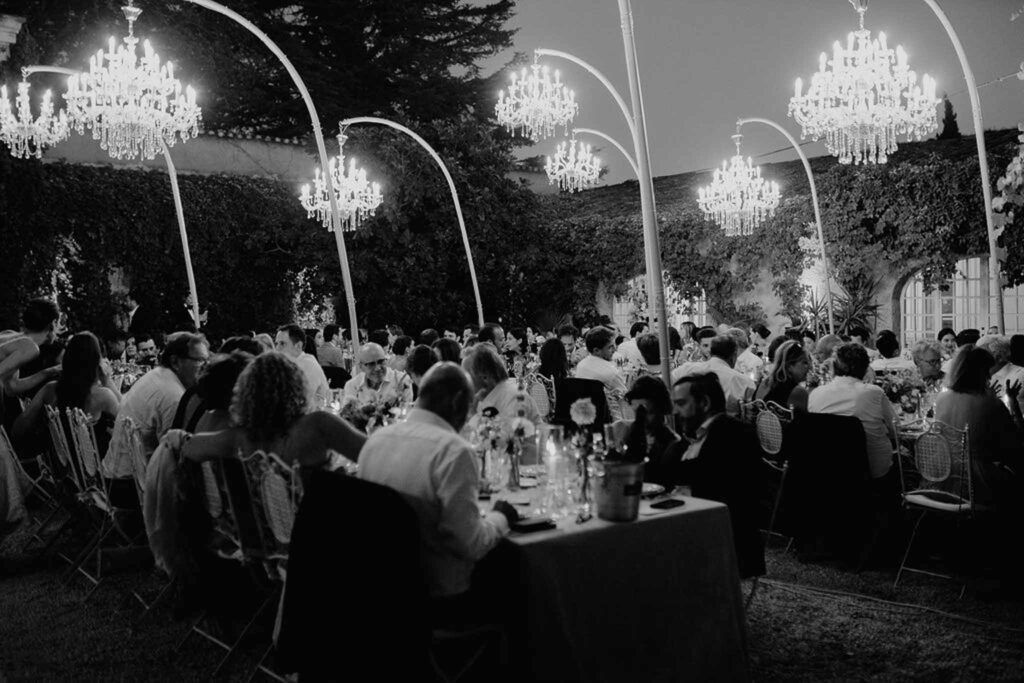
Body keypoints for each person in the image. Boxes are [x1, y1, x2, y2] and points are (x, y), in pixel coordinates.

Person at [357, 362, 519, 607]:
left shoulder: (375, 441)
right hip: (441, 594)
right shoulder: (452, 451)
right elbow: (470, 544)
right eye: (468, 409)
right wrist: (502, 516)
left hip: (381, 587)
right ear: (456, 403)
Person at [181, 352, 366, 470]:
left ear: (247, 393)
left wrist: (177, 437)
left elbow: (189, 448)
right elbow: (374, 453)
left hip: (269, 529)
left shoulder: (239, 438)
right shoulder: (317, 425)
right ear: (297, 387)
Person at [661, 373, 765, 578]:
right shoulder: (694, 435)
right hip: (692, 523)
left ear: (705, 403)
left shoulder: (734, 434)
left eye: (681, 403)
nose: (674, 411)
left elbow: (730, 493)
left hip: (722, 535)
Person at [104, 332, 210, 475]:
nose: (206, 367)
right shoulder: (173, 396)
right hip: (130, 484)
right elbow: (173, 459)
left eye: (207, 360)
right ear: (176, 362)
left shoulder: (158, 374)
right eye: (200, 360)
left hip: (116, 471)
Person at [933, 345, 1022, 511]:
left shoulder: (942, 398)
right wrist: (1013, 402)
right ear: (979, 373)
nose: (989, 376)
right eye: (986, 371)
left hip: (943, 475)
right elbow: (1014, 442)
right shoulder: (990, 403)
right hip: (978, 483)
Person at [13, 332, 121, 455]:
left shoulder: (50, 389)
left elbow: (18, 430)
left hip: (59, 466)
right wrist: (107, 380)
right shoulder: (103, 396)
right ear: (96, 362)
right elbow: (129, 419)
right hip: (95, 468)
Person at [808, 343, 896, 480]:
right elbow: (895, 429)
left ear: (835, 367)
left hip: (825, 470)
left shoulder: (815, 394)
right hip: (873, 471)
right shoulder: (873, 393)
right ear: (865, 369)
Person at [610, 376, 679, 488]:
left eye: (649, 412)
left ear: (662, 409)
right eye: (637, 412)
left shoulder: (672, 443)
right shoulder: (620, 430)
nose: (642, 418)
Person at [462, 344, 541, 429]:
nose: (464, 383)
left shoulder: (512, 398)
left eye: (466, 377)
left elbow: (502, 439)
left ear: (485, 377)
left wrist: (473, 414)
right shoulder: (488, 396)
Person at [673, 335, 755, 417]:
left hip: (687, 425)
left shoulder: (686, 369)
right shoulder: (744, 382)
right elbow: (751, 414)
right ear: (734, 355)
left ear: (710, 352)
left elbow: (664, 383)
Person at [0, 298, 62, 401]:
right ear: (53, 323)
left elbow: (11, 387)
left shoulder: (9, 334)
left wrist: (50, 371)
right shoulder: (30, 347)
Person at [275, 324, 330, 410]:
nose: (277, 348)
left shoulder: (307, 364)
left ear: (298, 346)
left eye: (282, 343)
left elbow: (296, 402)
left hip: (315, 419)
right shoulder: (288, 365)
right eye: (276, 343)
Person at [344, 343, 414, 407]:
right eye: (371, 364)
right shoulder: (352, 386)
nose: (377, 368)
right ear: (361, 367)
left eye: (381, 362)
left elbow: (406, 413)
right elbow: (348, 416)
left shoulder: (401, 380)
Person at [754, 340, 810, 412]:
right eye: (804, 362)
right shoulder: (798, 392)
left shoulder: (765, 383)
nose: (809, 366)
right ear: (789, 365)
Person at [574, 326, 626, 395]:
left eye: (614, 345)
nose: (614, 349)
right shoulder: (611, 373)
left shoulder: (581, 365)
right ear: (596, 350)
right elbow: (626, 396)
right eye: (610, 347)